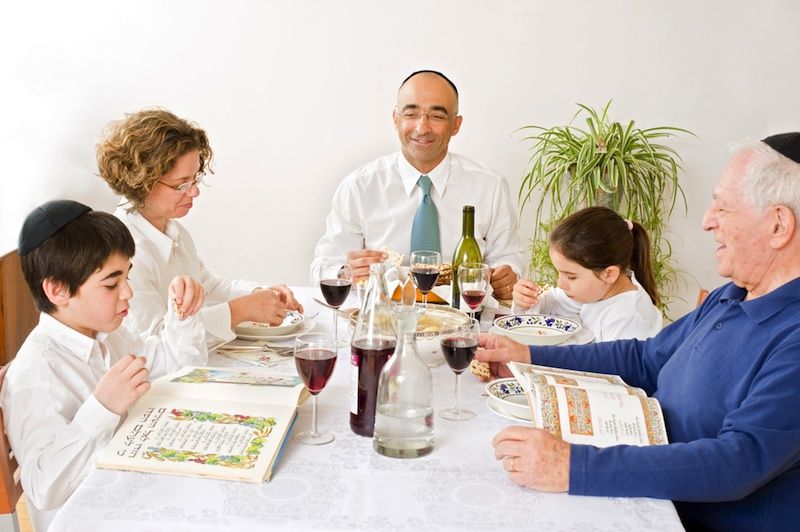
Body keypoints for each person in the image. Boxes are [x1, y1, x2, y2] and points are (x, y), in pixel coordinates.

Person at [476, 134, 800, 531]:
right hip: (647, 489)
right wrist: (527, 358)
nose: (707, 220)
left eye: (724, 206)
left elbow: (737, 461)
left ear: (778, 225)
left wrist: (572, 466)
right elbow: (646, 358)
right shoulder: (732, 297)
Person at [0, 200, 208, 531]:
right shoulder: (37, 376)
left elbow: (181, 365)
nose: (128, 292)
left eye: (128, 276)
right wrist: (102, 407)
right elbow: (43, 489)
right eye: (112, 283)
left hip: (135, 491)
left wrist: (182, 313)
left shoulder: (107, 334)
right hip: (97, 519)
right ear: (57, 290)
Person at [310, 70, 525, 300]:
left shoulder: (490, 187)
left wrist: (508, 277)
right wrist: (345, 272)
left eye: (437, 116)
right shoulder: (359, 188)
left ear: (456, 125)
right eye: (411, 114)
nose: (422, 128)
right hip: (384, 323)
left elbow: (510, 260)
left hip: (462, 319)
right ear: (396, 119)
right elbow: (322, 267)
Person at [96, 108, 303, 345]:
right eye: (181, 185)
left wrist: (260, 294)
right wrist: (239, 310)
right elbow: (155, 338)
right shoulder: (122, 250)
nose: (194, 191)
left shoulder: (173, 232)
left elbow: (208, 286)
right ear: (142, 182)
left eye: (194, 180)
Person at [511, 206, 662, 341]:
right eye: (559, 273)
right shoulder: (599, 290)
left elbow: (620, 370)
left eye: (571, 277)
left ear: (609, 274)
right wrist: (526, 299)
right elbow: (553, 303)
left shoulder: (629, 318)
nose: (560, 284)